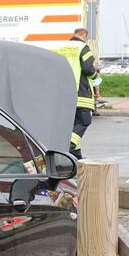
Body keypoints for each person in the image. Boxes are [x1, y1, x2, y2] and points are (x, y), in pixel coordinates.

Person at [52, 28, 98, 159]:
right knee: (84, 122)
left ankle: (76, 157)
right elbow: (89, 69)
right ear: (84, 36)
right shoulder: (82, 47)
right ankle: (69, 147)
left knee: (70, 125)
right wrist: (95, 75)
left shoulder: (61, 48)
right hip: (79, 94)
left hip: (61, 94)